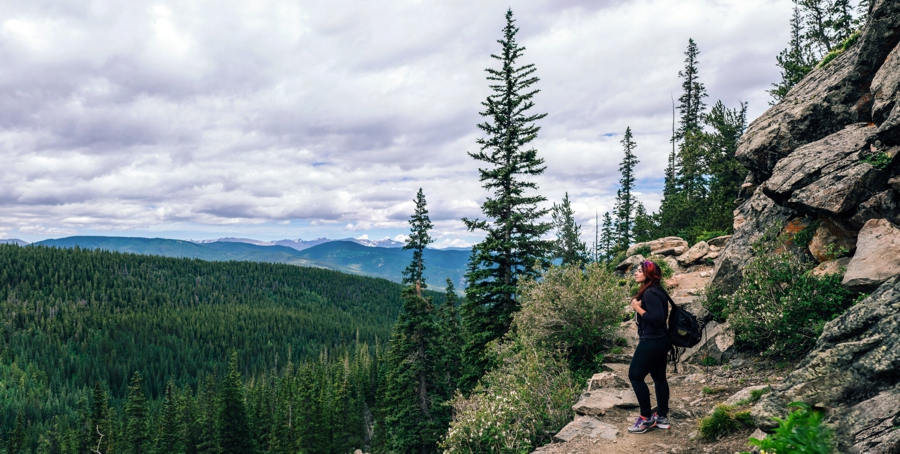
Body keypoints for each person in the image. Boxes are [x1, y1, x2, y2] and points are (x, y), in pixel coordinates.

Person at [627, 260, 671, 434]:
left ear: (649, 273)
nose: (636, 273)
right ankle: (662, 417)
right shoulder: (657, 290)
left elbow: (657, 319)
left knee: (635, 376)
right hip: (662, 340)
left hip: (652, 340)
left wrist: (638, 308)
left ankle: (646, 418)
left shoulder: (650, 293)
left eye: (639, 270)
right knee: (659, 377)